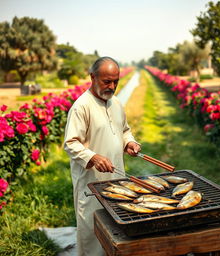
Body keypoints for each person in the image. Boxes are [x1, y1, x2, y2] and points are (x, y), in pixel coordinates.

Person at [64, 56, 141, 256]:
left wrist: (130, 143)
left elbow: (124, 130)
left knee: (117, 228)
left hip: (117, 178)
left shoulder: (115, 102)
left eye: (116, 81)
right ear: (92, 77)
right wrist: (93, 157)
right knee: (93, 231)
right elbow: (70, 143)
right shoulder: (81, 106)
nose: (112, 86)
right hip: (91, 182)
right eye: (107, 81)